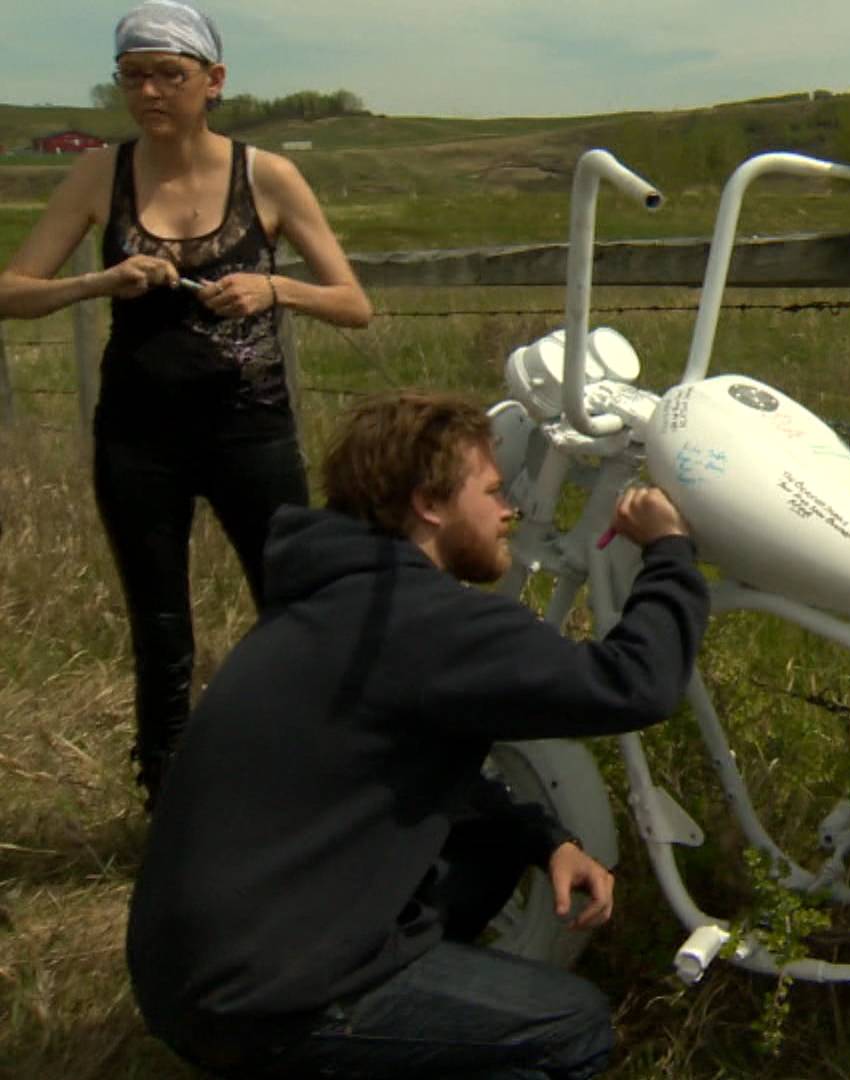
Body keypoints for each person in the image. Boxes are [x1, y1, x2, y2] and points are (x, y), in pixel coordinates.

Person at [125, 391, 710, 1078]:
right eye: (492, 492)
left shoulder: (344, 599)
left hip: (193, 971)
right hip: (264, 998)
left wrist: (542, 839)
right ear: (429, 506)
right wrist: (670, 549)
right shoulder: (428, 623)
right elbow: (635, 683)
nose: (508, 510)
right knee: (571, 1027)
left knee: (491, 848)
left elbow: (401, 765)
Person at [0, 1, 372, 805]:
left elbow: (353, 302)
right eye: (133, 76)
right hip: (138, 439)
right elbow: (12, 292)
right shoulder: (101, 173)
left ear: (214, 80)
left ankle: (312, 788)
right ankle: (169, 807)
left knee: (293, 610)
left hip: (251, 431)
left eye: (171, 74)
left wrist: (273, 288)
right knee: (160, 630)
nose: (150, 93)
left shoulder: (266, 174)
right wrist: (103, 280)